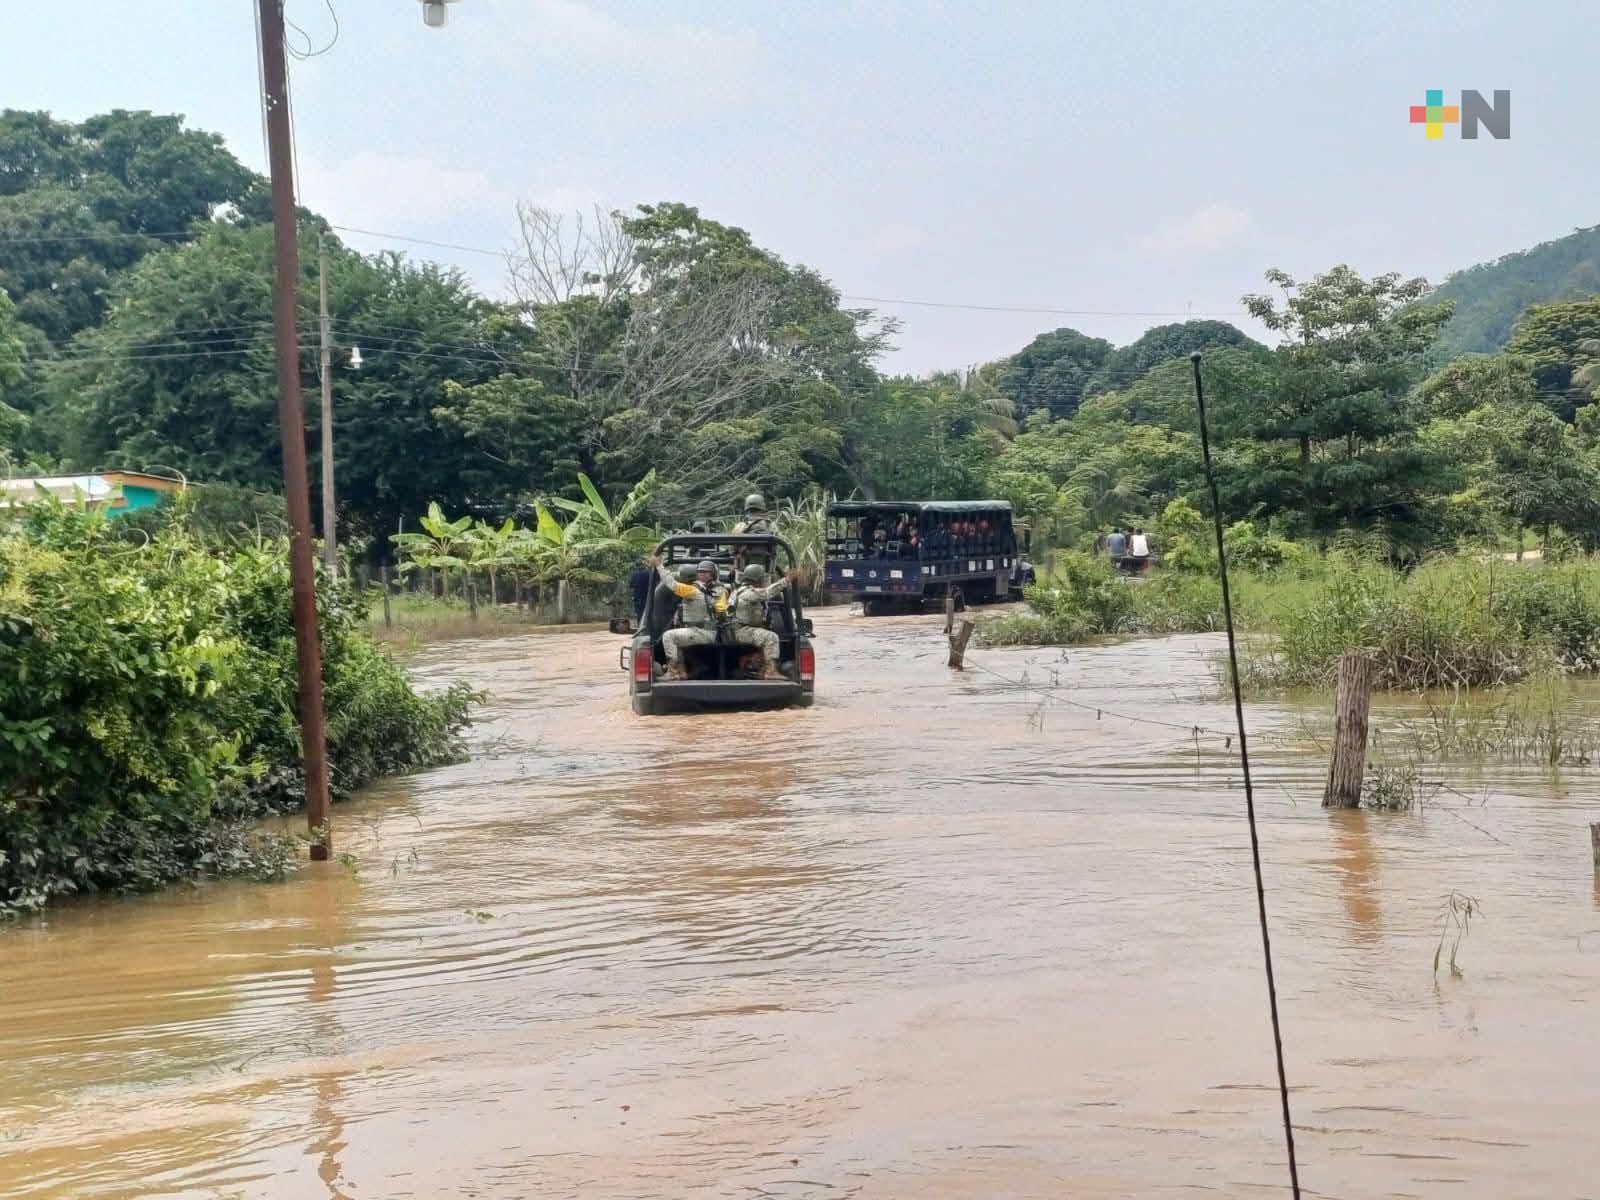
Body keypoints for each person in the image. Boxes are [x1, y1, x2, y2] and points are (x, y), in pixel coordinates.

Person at [655, 557, 728, 680]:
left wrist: (659, 565)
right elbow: (722, 610)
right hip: (712, 633)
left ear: (713, 574)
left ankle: (672, 672)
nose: (702, 574)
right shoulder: (721, 590)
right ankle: (682, 672)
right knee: (677, 641)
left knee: (668, 636)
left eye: (705, 572)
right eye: (700, 572)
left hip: (701, 632)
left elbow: (671, 584)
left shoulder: (692, 590)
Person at [730, 563, 799, 680]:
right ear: (758, 579)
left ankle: (762, 671)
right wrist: (786, 580)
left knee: (766, 635)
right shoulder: (748, 593)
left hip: (741, 629)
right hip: (742, 630)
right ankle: (770, 672)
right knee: (770, 637)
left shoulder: (738, 591)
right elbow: (767, 593)